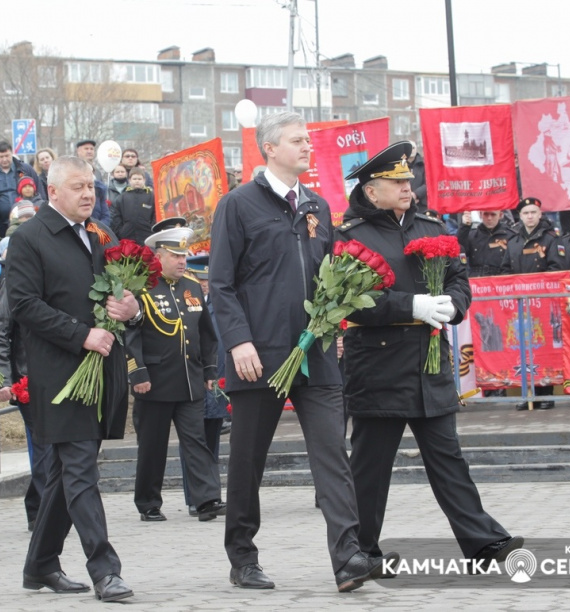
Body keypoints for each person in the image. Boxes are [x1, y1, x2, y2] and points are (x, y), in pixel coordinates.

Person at [209, 111, 394, 593]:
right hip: (258, 354)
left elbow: (326, 276)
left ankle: (349, 556)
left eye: (308, 140)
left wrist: (332, 319)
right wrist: (237, 341)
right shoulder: (238, 204)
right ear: (269, 149)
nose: (307, 147)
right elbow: (222, 285)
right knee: (248, 458)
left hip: (316, 352)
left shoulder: (317, 205)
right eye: (297, 141)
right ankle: (243, 557)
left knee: (333, 452)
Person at [337, 140, 525, 576]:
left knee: (448, 457)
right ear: (370, 190)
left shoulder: (429, 226)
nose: (407, 186)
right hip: (379, 366)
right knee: (370, 467)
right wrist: (411, 306)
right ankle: (362, 552)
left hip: (429, 361)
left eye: (408, 179)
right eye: (396, 181)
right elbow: (349, 301)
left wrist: (453, 304)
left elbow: (460, 277)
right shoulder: (350, 238)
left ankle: (483, 542)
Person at [8, 155, 138, 601]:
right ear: (53, 192)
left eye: (92, 187)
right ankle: (105, 569)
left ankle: (40, 565)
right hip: (60, 376)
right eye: (78, 187)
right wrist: (81, 335)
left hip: (100, 373)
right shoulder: (29, 238)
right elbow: (24, 304)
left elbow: (123, 292)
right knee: (81, 470)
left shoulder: (101, 235)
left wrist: (130, 307)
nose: (88, 194)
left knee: (68, 472)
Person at [126, 219, 225, 523]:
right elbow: (130, 335)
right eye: (176, 256)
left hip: (190, 381)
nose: (183, 261)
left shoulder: (193, 286)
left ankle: (206, 499)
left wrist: (209, 369)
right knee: (152, 447)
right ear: (158, 257)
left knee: (196, 441)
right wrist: (137, 372)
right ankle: (148, 502)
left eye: (184, 256)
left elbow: (207, 334)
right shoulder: (139, 287)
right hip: (154, 383)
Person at [0, 259, 52, 533]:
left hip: (59, 374)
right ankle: (40, 510)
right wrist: (3, 378)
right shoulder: (14, 282)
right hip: (28, 377)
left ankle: (42, 505)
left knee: (55, 448)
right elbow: (1, 331)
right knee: (43, 447)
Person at [501, 196, 566, 409]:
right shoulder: (512, 240)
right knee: (521, 348)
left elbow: (557, 267)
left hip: (543, 303)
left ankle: (545, 392)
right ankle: (526, 392)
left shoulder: (550, 238)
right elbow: (504, 270)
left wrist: (537, 285)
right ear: (520, 216)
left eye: (533, 213)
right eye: (525, 213)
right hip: (518, 305)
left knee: (542, 347)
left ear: (540, 214)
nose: (530, 216)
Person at [177, 254, 230, 515]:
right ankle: (194, 498)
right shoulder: (187, 303)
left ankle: (211, 496)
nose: (206, 284)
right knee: (193, 442)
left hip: (217, 382)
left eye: (209, 279)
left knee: (212, 441)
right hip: (194, 382)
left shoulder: (223, 303)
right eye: (201, 278)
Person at [0, 141, 43, 237]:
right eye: (1, 157)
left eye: (7, 156)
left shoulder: (25, 169)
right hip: (1, 224)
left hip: (26, 219)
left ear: (12, 153)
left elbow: (39, 191)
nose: (4, 159)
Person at [456, 210, 514, 277]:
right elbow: (460, 250)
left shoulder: (510, 236)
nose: (489, 218)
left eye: (493, 214)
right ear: (480, 215)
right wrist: (464, 227)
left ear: (500, 215)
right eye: (486, 214)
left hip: (500, 280)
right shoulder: (473, 235)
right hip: (477, 280)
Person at [110, 168, 155, 245]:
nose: (137, 181)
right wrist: (121, 231)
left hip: (147, 237)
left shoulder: (151, 197)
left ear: (144, 180)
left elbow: (155, 215)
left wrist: (152, 230)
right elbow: (116, 216)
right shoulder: (122, 197)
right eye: (134, 179)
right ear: (129, 180)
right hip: (127, 237)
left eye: (139, 179)